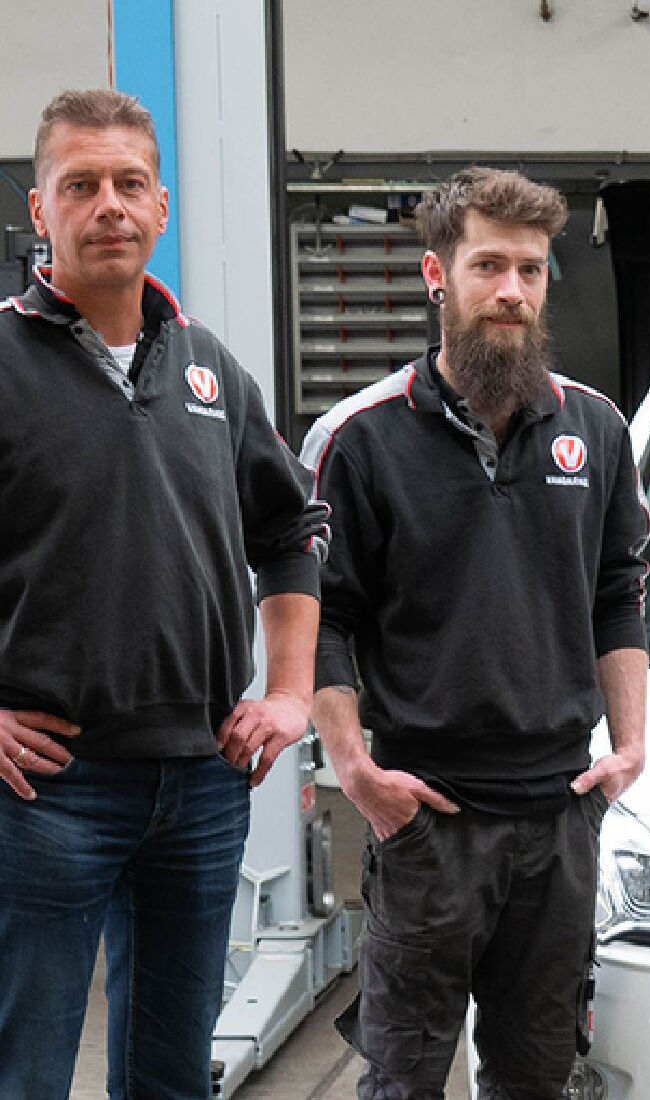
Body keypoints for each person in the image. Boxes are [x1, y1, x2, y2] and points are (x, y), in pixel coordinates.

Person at [0, 89, 327, 1099]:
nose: (110, 205)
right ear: (39, 209)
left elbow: (291, 530)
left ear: (162, 206)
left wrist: (290, 692)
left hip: (199, 782)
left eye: (129, 183)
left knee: (173, 1072)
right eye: (81, 184)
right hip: (47, 787)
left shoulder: (212, 372)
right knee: (29, 1068)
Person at [301, 167, 650, 1100]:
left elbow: (618, 592)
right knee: (405, 1076)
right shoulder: (360, 439)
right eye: (488, 265)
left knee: (538, 1077)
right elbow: (321, 616)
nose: (511, 290)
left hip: (560, 816)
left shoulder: (599, 428)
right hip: (427, 821)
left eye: (531, 271)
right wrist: (355, 769)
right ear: (435, 275)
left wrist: (631, 747)